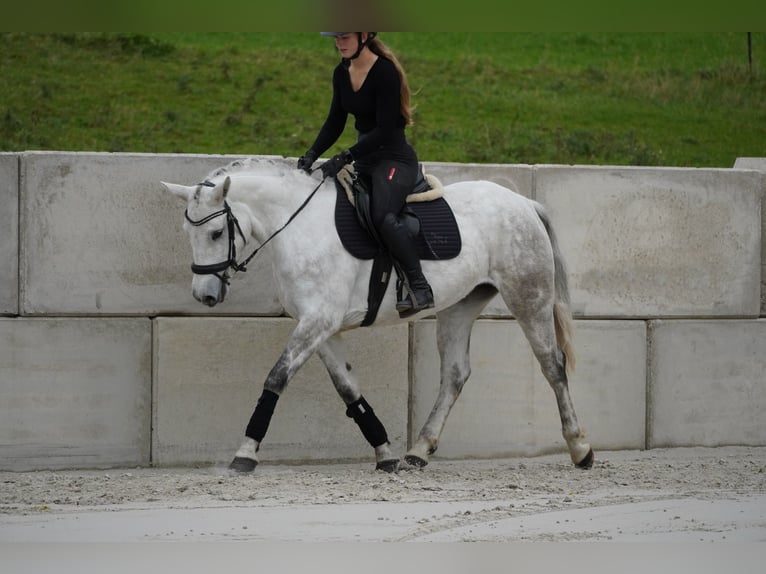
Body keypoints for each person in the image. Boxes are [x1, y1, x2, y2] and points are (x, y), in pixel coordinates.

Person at [297, 32, 434, 317]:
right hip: (365, 161)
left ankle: (419, 286)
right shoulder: (341, 71)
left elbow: (384, 130)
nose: (339, 42)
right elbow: (335, 121)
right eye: (335, 38)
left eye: (344, 36)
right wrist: (311, 154)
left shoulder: (385, 72)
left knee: (382, 215)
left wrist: (346, 156)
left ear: (364, 35)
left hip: (394, 160)